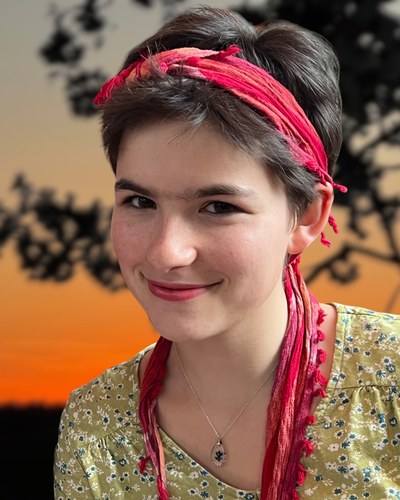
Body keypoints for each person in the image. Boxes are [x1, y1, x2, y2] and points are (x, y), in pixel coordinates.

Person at [53, 7, 400, 499]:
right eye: (140, 202)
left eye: (218, 207)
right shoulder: (96, 425)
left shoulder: (390, 384)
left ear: (306, 216)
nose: (167, 252)